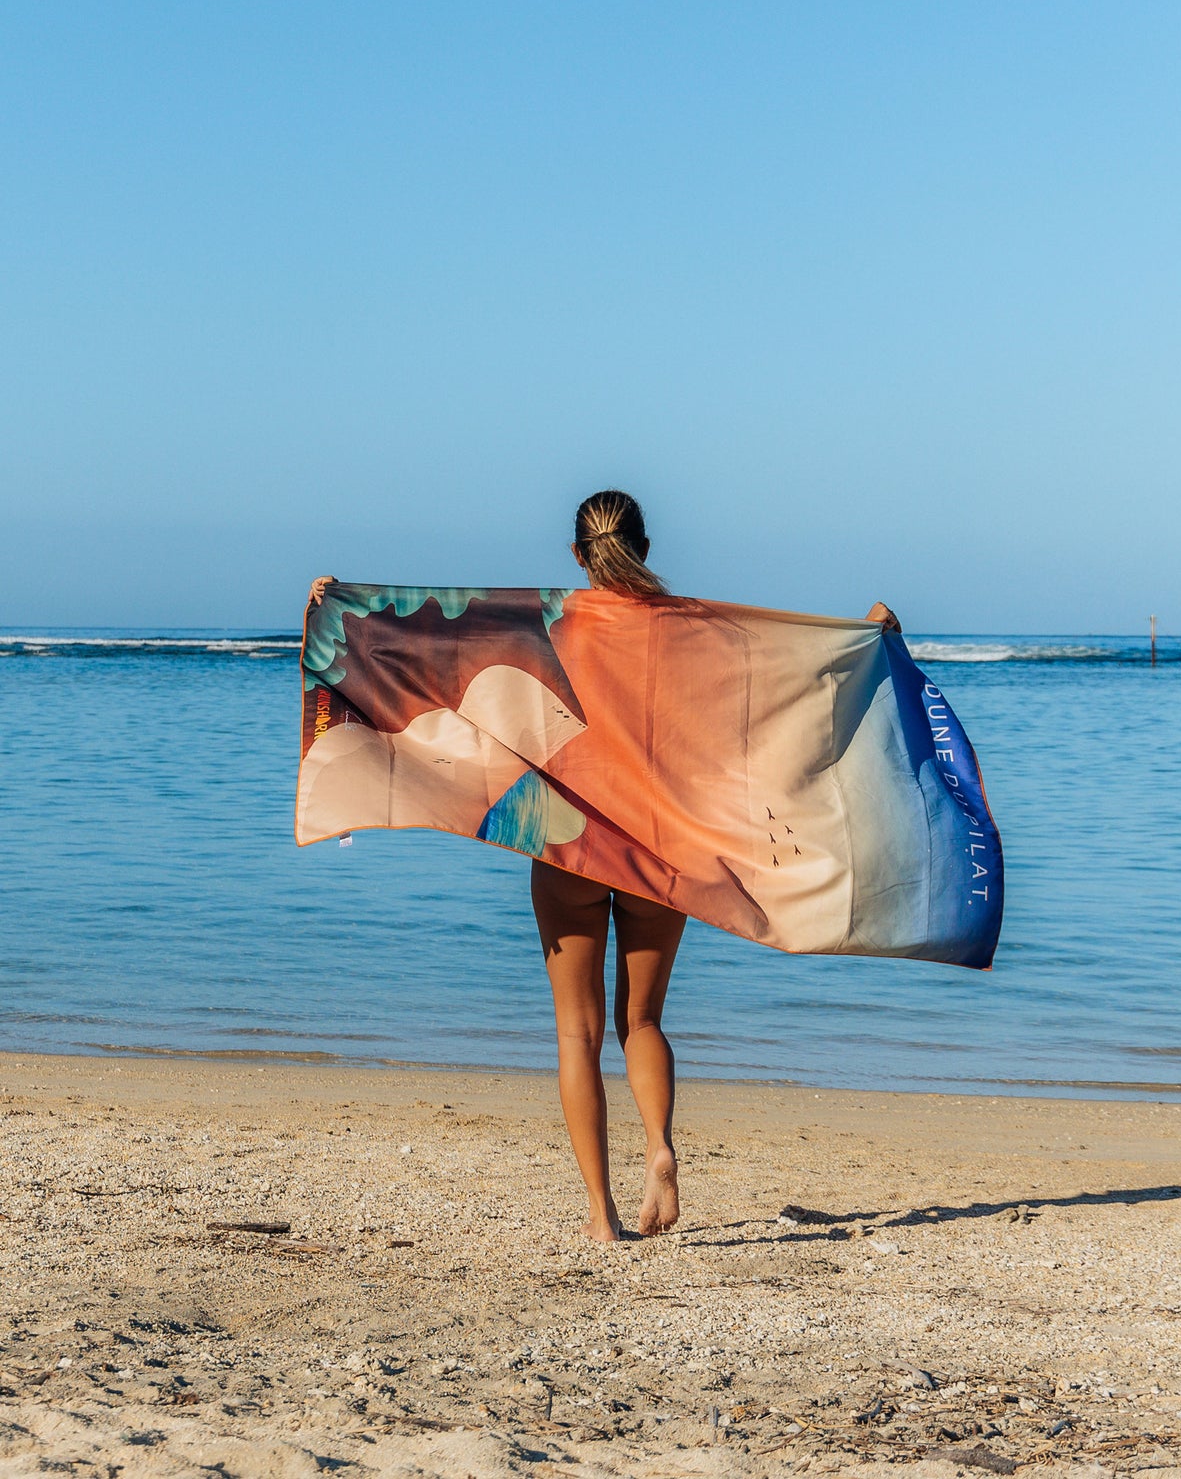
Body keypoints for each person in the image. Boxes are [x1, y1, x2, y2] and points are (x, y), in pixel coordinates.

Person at [307, 491, 900, 1244]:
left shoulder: (555, 623)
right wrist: (868, 635)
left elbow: (432, 650)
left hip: (570, 845)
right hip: (662, 850)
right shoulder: (694, 631)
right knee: (643, 1020)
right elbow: (784, 675)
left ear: (577, 556)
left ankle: (601, 1215)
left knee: (576, 1035)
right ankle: (659, 1148)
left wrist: (340, 609)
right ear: (646, 546)